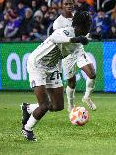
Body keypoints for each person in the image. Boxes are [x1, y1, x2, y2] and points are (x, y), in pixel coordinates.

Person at [21, 11, 91, 141]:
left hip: (52, 67)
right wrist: (74, 39)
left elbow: (81, 41)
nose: (89, 26)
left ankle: (28, 108)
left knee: (57, 106)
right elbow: (54, 38)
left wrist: (92, 37)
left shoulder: (79, 40)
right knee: (44, 105)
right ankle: (27, 129)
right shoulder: (67, 32)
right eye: (88, 24)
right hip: (37, 65)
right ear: (80, 26)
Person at [52, 0, 97, 112]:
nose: (69, 6)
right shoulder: (58, 23)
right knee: (71, 82)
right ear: (62, 5)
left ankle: (86, 97)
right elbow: (58, 41)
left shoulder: (77, 16)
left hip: (78, 49)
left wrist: (90, 36)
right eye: (66, 4)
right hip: (67, 54)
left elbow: (81, 31)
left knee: (92, 74)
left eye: (70, 3)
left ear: (74, 4)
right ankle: (71, 105)